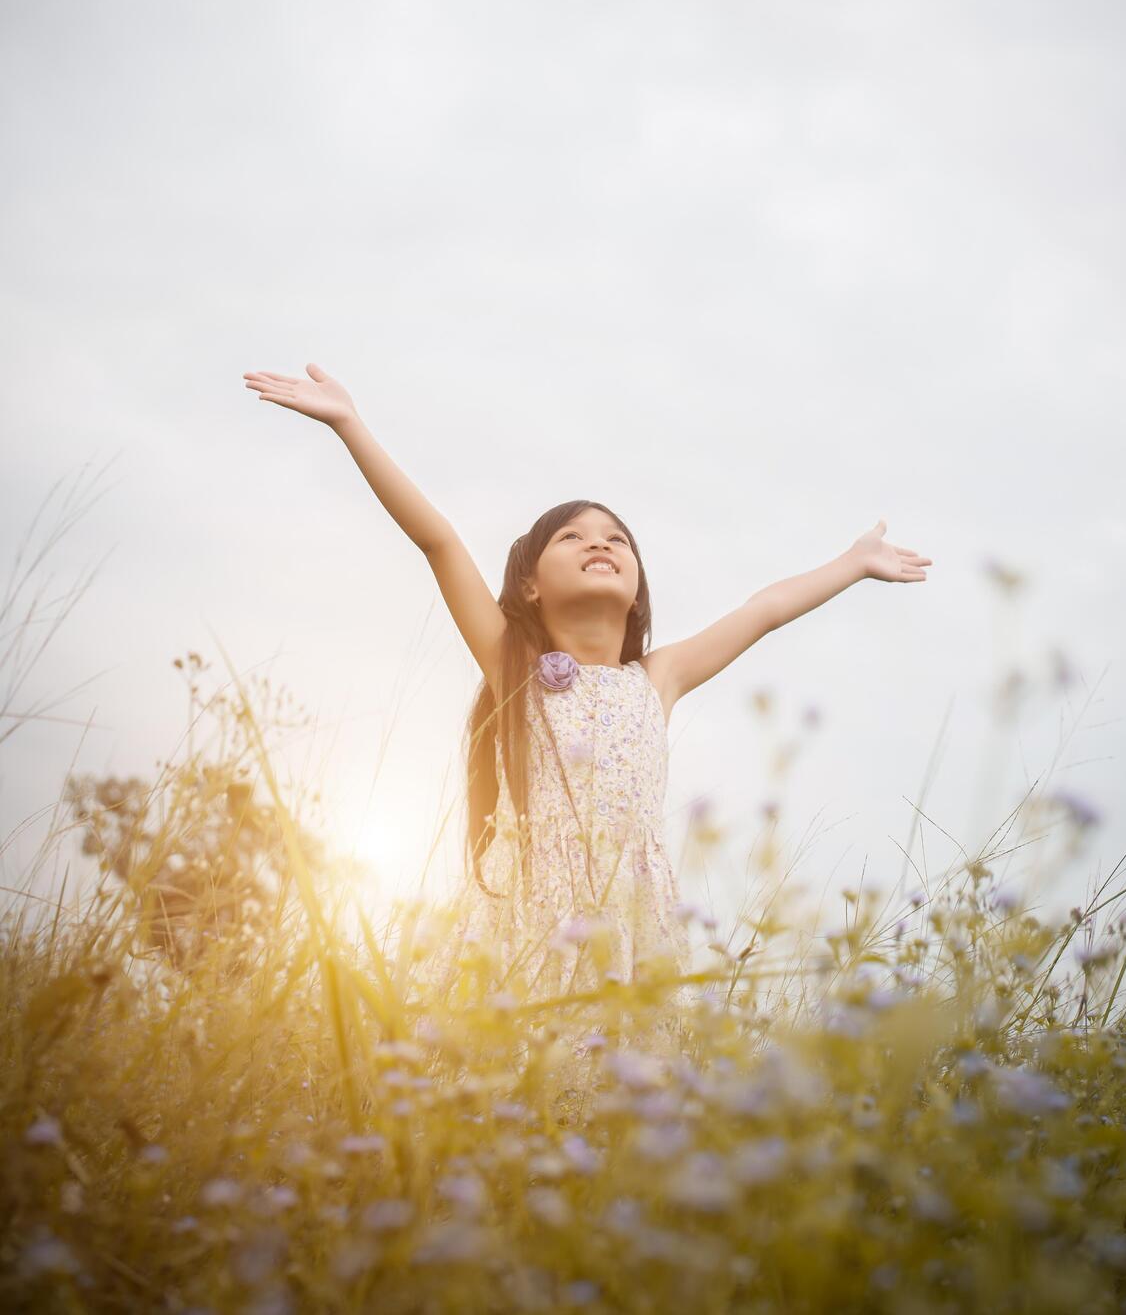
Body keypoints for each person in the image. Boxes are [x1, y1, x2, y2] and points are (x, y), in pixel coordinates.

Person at [241, 361, 933, 1072]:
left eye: (617, 538)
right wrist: (351, 425)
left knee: (621, 1094)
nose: (599, 542)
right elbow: (439, 541)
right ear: (531, 586)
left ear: (636, 594)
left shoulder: (658, 679)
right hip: (530, 912)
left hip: (632, 920)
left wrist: (853, 563)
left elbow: (765, 609)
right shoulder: (510, 663)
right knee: (517, 1078)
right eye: (572, 537)